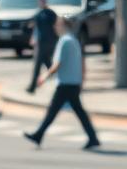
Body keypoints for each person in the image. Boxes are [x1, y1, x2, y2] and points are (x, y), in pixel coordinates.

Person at [24, 15, 100, 150]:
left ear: (64, 26)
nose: (55, 27)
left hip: (65, 83)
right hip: (73, 82)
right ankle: (92, 137)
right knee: (78, 112)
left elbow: (57, 63)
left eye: (57, 24)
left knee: (53, 112)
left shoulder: (64, 41)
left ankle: (39, 135)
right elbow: (81, 62)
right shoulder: (74, 40)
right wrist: (82, 79)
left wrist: (44, 76)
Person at [26, 0, 58, 94]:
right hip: (40, 42)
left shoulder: (51, 14)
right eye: (40, 1)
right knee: (46, 64)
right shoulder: (39, 14)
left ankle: (32, 87)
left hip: (49, 42)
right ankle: (33, 86)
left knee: (38, 65)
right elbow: (36, 28)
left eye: (43, 0)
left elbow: (56, 27)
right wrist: (33, 38)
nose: (41, 2)